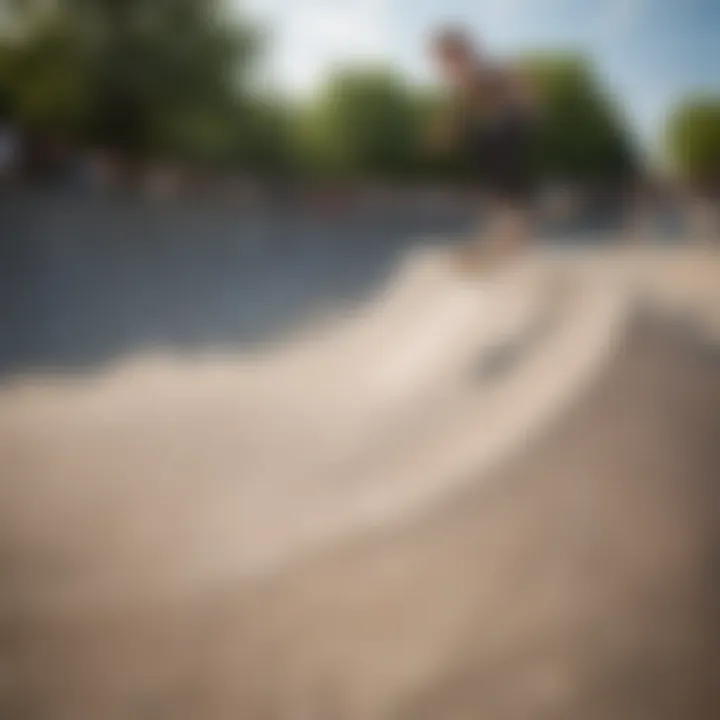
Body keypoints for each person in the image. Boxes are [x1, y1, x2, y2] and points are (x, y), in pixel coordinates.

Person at [429, 26, 540, 273]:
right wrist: (445, 133)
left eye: (447, 61)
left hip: (515, 121)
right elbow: (458, 113)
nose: (446, 70)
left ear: (460, 54)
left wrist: (524, 96)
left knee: (489, 146)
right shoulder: (462, 82)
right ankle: (507, 228)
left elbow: (513, 81)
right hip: (504, 127)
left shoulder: (483, 71)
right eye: (443, 64)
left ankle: (514, 228)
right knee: (480, 149)